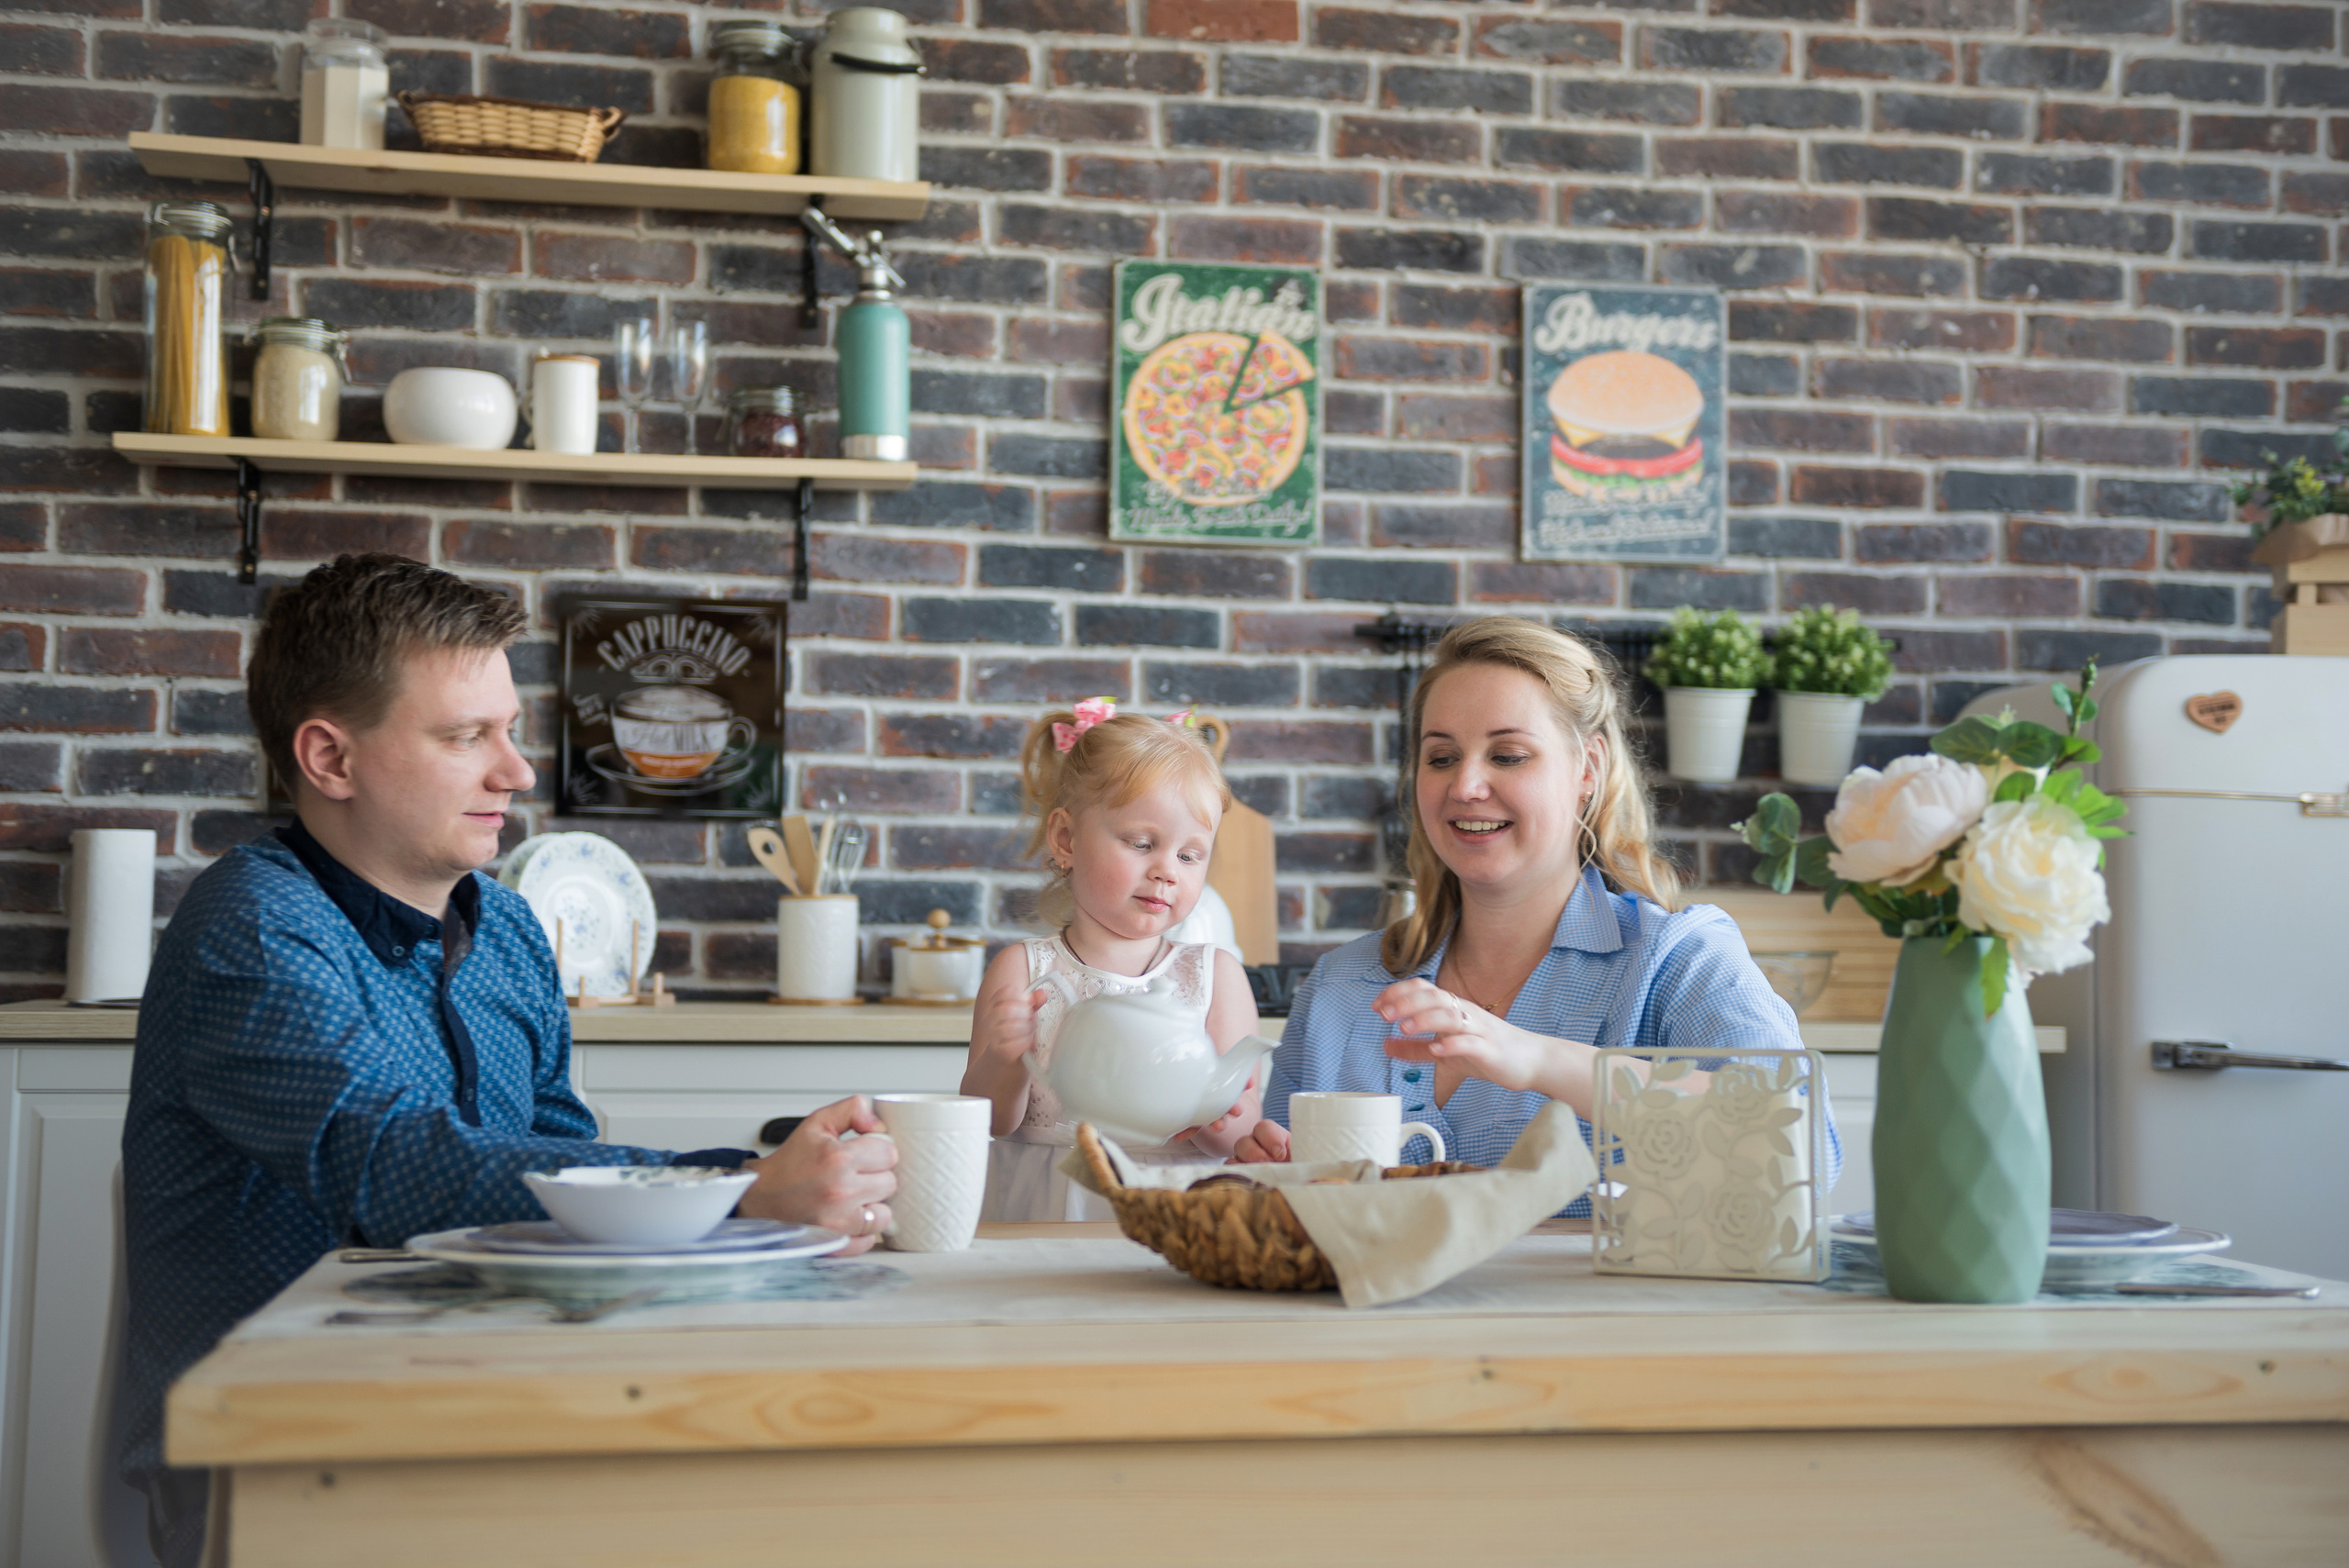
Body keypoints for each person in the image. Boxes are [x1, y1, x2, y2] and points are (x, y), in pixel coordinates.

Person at [117, 554, 897, 1567]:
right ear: (330, 757)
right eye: (464, 736)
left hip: (485, 1405)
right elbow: (388, 1165)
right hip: (280, 1452)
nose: (518, 772)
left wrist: (773, 1183)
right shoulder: (255, 929)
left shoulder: (511, 931)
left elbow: (561, 1168)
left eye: (510, 731)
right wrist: (740, 1191)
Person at [1234, 617, 1840, 1195]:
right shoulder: (1340, 988)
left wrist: (1536, 1057)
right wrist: (1260, 1166)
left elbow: (1800, 1148)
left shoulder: (1674, 962)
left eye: (1508, 755)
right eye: (1441, 756)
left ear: (1588, 768)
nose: (1465, 784)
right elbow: (1284, 1197)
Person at [963, 700, 1263, 1220]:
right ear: (1066, 839)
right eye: (1142, 843)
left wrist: (1223, 1118)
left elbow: (1240, 1134)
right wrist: (1002, 1060)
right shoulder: (1021, 970)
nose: (1168, 870)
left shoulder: (1217, 976)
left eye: (1190, 855)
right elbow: (989, 1121)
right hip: (1046, 1208)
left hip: (1175, 1213)